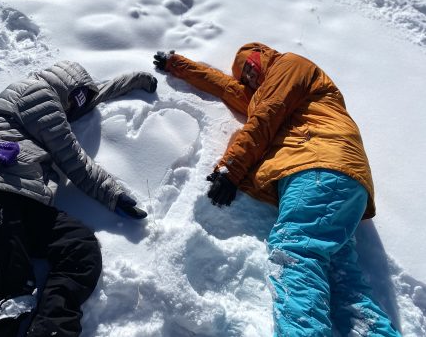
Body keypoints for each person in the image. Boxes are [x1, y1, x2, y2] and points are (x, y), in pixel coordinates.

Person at [153, 44, 401, 336]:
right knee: (342, 277)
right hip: (339, 180)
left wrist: (231, 169)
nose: (250, 77)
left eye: (250, 67)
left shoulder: (290, 65)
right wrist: (177, 64)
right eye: (246, 77)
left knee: (293, 252)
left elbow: (266, 114)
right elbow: (227, 88)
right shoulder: (269, 91)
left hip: (318, 167)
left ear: (262, 55)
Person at [0, 61, 157, 337]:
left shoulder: (42, 100)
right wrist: (113, 195)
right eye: (75, 101)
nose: (76, 110)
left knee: (79, 248)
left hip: (14, 195)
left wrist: (136, 79)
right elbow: (73, 160)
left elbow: (93, 95)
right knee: (4, 293)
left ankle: (51, 330)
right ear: (66, 89)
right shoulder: (36, 94)